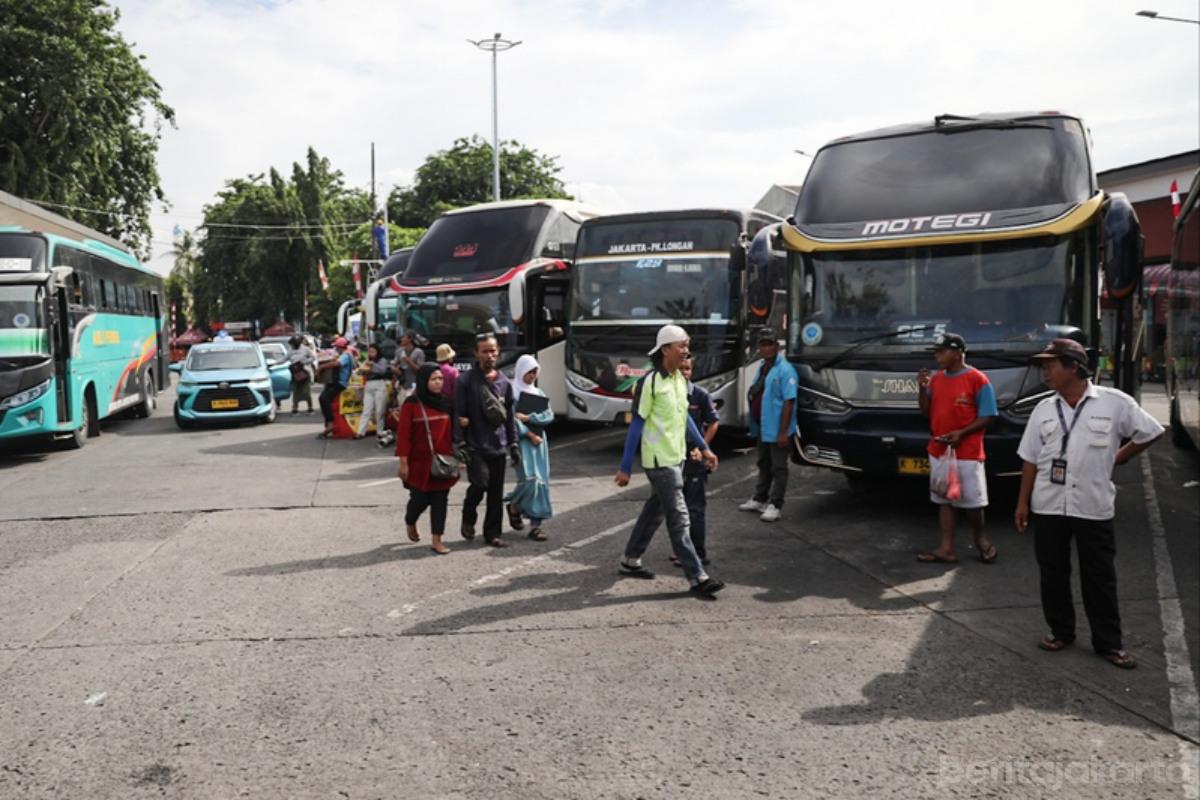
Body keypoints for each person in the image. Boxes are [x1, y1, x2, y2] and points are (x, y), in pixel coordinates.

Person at [1015, 338, 1163, 669]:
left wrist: (1121, 456)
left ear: (1074, 367)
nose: (1045, 372)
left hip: (1093, 506)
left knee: (1099, 576)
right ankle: (1061, 631)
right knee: (1052, 573)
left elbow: (1151, 431)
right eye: (1044, 366)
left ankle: (1109, 643)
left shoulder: (1114, 403)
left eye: (1051, 365)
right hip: (1049, 504)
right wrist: (1022, 503)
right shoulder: (1043, 409)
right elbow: (1029, 459)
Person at [614, 324, 725, 598]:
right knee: (679, 516)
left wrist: (704, 448)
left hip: (677, 458)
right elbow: (637, 423)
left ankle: (631, 559)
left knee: (656, 510)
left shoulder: (678, 380)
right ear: (665, 349)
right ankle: (698, 576)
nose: (687, 351)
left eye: (687, 345)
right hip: (658, 461)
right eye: (681, 346)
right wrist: (625, 466)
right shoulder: (650, 382)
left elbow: (685, 418)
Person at [915, 332, 998, 564]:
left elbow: (989, 415)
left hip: (967, 451)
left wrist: (962, 433)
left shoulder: (977, 379)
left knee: (972, 501)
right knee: (944, 499)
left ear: (958, 353)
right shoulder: (937, 380)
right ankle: (946, 548)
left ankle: (981, 541)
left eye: (942, 351)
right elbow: (925, 411)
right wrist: (922, 389)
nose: (937, 355)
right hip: (940, 449)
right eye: (936, 351)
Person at [454, 333, 520, 548]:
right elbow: (458, 415)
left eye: (493, 350)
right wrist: (460, 444)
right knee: (480, 484)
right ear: (476, 353)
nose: (490, 355)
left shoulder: (504, 382)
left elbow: (510, 416)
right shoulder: (465, 381)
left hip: (498, 446)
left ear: (498, 351)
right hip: (475, 445)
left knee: (495, 493)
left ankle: (492, 534)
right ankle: (468, 514)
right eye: (485, 351)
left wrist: (514, 443)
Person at [397, 364, 459, 555]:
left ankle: (437, 540)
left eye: (441, 379)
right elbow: (404, 436)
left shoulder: (446, 403)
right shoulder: (411, 404)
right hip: (418, 463)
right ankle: (410, 520)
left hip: (444, 461)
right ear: (424, 381)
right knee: (419, 500)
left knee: (441, 500)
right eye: (434, 379)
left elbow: (455, 432)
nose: (438, 382)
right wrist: (403, 463)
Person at [738, 328, 797, 522]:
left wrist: (783, 432)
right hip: (763, 427)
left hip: (778, 429)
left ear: (777, 346)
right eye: (762, 344)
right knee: (763, 463)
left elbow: (789, 401)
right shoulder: (763, 367)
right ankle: (760, 498)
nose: (765, 348)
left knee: (779, 467)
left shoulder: (785, 370)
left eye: (769, 344)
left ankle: (776, 504)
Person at [504, 354, 554, 541]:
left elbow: (549, 415)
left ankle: (535, 526)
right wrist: (529, 433)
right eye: (529, 372)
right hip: (523, 442)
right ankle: (514, 504)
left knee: (541, 481)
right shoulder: (513, 393)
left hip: (539, 443)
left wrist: (531, 418)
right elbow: (511, 420)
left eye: (535, 372)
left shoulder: (538, 393)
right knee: (529, 480)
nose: (532, 376)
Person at [675, 356, 719, 566]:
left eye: (687, 369)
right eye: (680, 368)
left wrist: (703, 448)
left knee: (695, 508)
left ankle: (698, 554)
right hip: (674, 455)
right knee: (677, 507)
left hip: (694, 456)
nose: (684, 372)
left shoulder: (700, 395)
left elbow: (713, 423)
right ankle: (681, 550)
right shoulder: (669, 393)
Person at [317, 337, 353, 439]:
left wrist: (322, 367)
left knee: (323, 398)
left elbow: (337, 363)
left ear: (340, 347)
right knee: (323, 398)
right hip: (334, 382)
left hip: (340, 383)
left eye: (337, 347)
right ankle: (328, 423)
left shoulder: (346, 355)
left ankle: (330, 423)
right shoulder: (341, 354)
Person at [356, 344, 392, 443]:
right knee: (366, 409)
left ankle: (380, 431)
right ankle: (360, 432)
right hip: (369, 384)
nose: (371, 353)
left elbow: (382, 370)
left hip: (379, 384)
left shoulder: (382, 360)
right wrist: (362, 369)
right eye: (369, 351)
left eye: (373, 351)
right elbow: (361, 371)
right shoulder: (367, 360)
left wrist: (372, 365)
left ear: (377, 352)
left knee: (379, 410)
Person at [286, 334, 316, 414]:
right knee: (295, 391)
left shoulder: (305, 349)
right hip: (295, 373)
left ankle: (310, 407)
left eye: (292, 344)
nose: (291, 346)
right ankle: (295, 408)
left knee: (306, 391)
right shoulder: (290, 350)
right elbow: (285, 358)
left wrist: (304, 361)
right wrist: (275, 363)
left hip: (304, 372)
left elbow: (313, 358)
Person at [396, 331, 426, 402]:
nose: (402, 339)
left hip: (413, 386)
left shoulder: (418, 352)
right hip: (402, 385)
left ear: (410, 339)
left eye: (404, 337)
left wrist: (409, 362)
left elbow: (420, 370)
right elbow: (396, 364)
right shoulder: (399, 351)